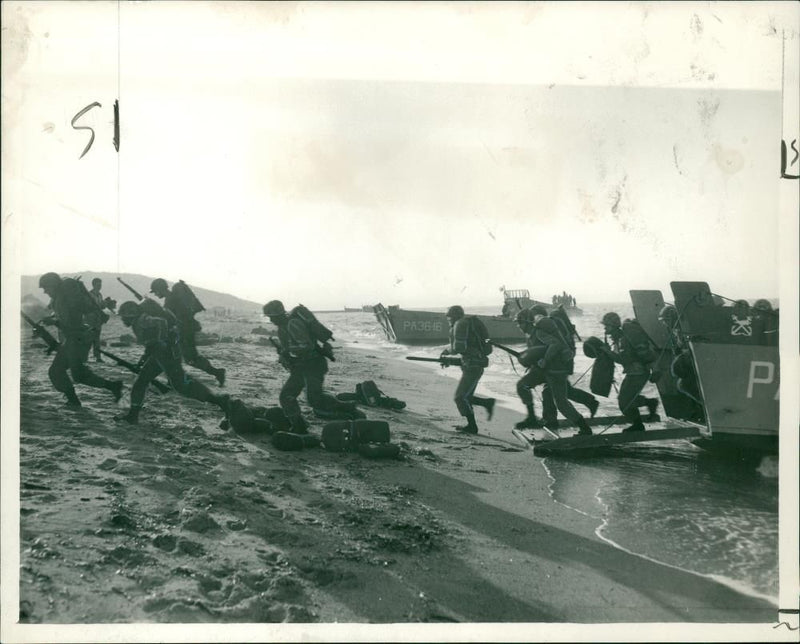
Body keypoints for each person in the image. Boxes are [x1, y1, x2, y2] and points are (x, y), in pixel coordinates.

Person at [114, 301, 230, 424]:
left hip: (166, 354)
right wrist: (145, 357)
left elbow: (161, 322)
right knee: (141, 381)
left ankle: (219, 400)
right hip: (158, 355)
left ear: (131, 314)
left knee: (181, 385)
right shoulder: (139, 321)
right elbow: (150, 343)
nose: (122, 320)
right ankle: (133, 416)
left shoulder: (142, 320)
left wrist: (162, 341)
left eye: (124, 317)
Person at [263, 299, 356, 434]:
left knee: (314, 399)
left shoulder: (293, 324)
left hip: (313, 364)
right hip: (302, 366)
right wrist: (285, 355)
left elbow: (306, 346)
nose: (271, 321)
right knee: (287, 395)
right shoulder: (283, 327)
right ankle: (298, 425)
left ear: (279, 314)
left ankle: (347, 408)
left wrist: (287, 351)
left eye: (272, 317)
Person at [37, 272, 123, 407]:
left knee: (66, 373)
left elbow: (73, 320)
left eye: (46, 288)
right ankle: (111, 387)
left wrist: (53, 322)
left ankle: (77, 400)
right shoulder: (60, 298)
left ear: (53, 285)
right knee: (66, 372)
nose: (45, 291)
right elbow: (65, 319)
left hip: (78, 338)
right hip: (75, 338)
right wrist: (52, 321)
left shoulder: (66, 297)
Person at [513, 306, 593, 435]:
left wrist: (545, 359)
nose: (519, 326)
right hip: (547, 371)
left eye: (520, 323)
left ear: (527, 322)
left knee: (561, 404)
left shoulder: (538, 333)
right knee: (522, 385)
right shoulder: (531, 336)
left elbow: (556, 344)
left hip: (557, 371)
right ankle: (532, 417)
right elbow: (538, 352)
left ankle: (585, 428)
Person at [150, 278, 226, 386]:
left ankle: (218, 372)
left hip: (184, 332)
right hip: (184, 331)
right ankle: (171, 381)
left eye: (155, 291)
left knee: (190, 358)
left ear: (160, 289)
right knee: (180, 357)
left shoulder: (170, 300)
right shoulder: (172, 298)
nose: (155, 294)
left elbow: (169, 318)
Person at [439, 305, 496, 434]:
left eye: (449, 317)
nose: (448, 320)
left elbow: (459, 348)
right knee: (467, 397)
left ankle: (472, 426)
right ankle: (487, 403)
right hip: (475, 364)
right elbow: (468, 350)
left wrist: (447, 351)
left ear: (453, 316)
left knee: (459, 397)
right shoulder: (467, 324)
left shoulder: (460, 325)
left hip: (472, 366)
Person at [600, 311, 659, 433]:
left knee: (624, 401)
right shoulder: (621, 337)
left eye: (607, 325)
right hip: (636, 372)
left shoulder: (622, 339)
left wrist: (608, 352)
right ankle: (650, 403)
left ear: (613, 325)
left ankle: (638, 425)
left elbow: (624, 359)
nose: (605, 328)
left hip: (637, 372)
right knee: (626, 399)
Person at [85, 277, 114, 362]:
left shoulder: (100, 295)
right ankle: (85, 357)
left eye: (100, 284)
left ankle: (98, 357)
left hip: (97, 319)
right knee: (89, 338)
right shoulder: (89, 295)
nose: (99, 286)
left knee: (97, 338)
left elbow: (100, 306)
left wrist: (105, 303)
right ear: (93, 285)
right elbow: (89, 306)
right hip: (90, 318)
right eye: (98, 284)